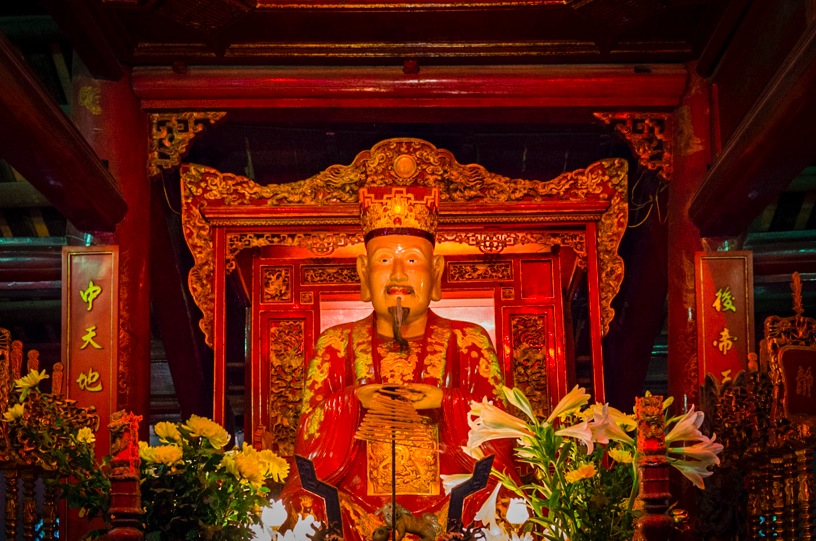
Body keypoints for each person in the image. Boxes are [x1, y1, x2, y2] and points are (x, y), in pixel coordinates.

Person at [293, 186, 514, 540]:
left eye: (412, 261)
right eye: (384, 261)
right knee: (303, 503)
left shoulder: (469, 340)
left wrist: (445, 401)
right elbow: (307, 440)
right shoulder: (335, 344)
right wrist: (352, 401)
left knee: (502, 498)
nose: (398, 275)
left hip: (453, 506)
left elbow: (501, 438)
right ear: (363, 272)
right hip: (354, 509)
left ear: (437, 272)